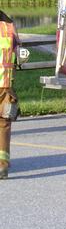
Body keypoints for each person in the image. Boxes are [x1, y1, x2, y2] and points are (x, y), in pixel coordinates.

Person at [0, 9, 20, 179]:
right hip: (4, 86)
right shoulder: (8, 28)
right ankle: (2, 166)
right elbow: (17, 54)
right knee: (3, 125)